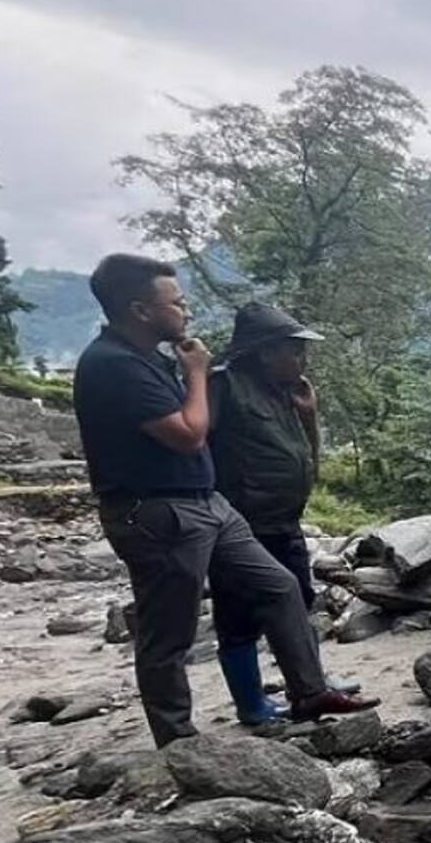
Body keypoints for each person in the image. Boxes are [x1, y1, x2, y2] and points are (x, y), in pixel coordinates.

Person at [72, 254, 377, 746]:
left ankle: (310, 692)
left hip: (206, 502)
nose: (186, 310)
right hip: (157, 511)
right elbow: (190, 434)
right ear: (140, 310)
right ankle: (179, 740)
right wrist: (197, 371)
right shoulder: (114, 366)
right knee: (169, 631)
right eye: (177, 302)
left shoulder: (151, 358)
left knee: (280, 588)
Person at [208, 301, 346, 726]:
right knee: (237, 613)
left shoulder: (286, 389)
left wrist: (309, 415)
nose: (303, 359)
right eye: (295, 350)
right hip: (240, 522)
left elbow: (307, 455)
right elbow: (198, 442)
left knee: (299, 600)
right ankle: (252, 705)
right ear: (266, 351)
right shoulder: (223, 385)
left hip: (284, 518)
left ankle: (311, 687)